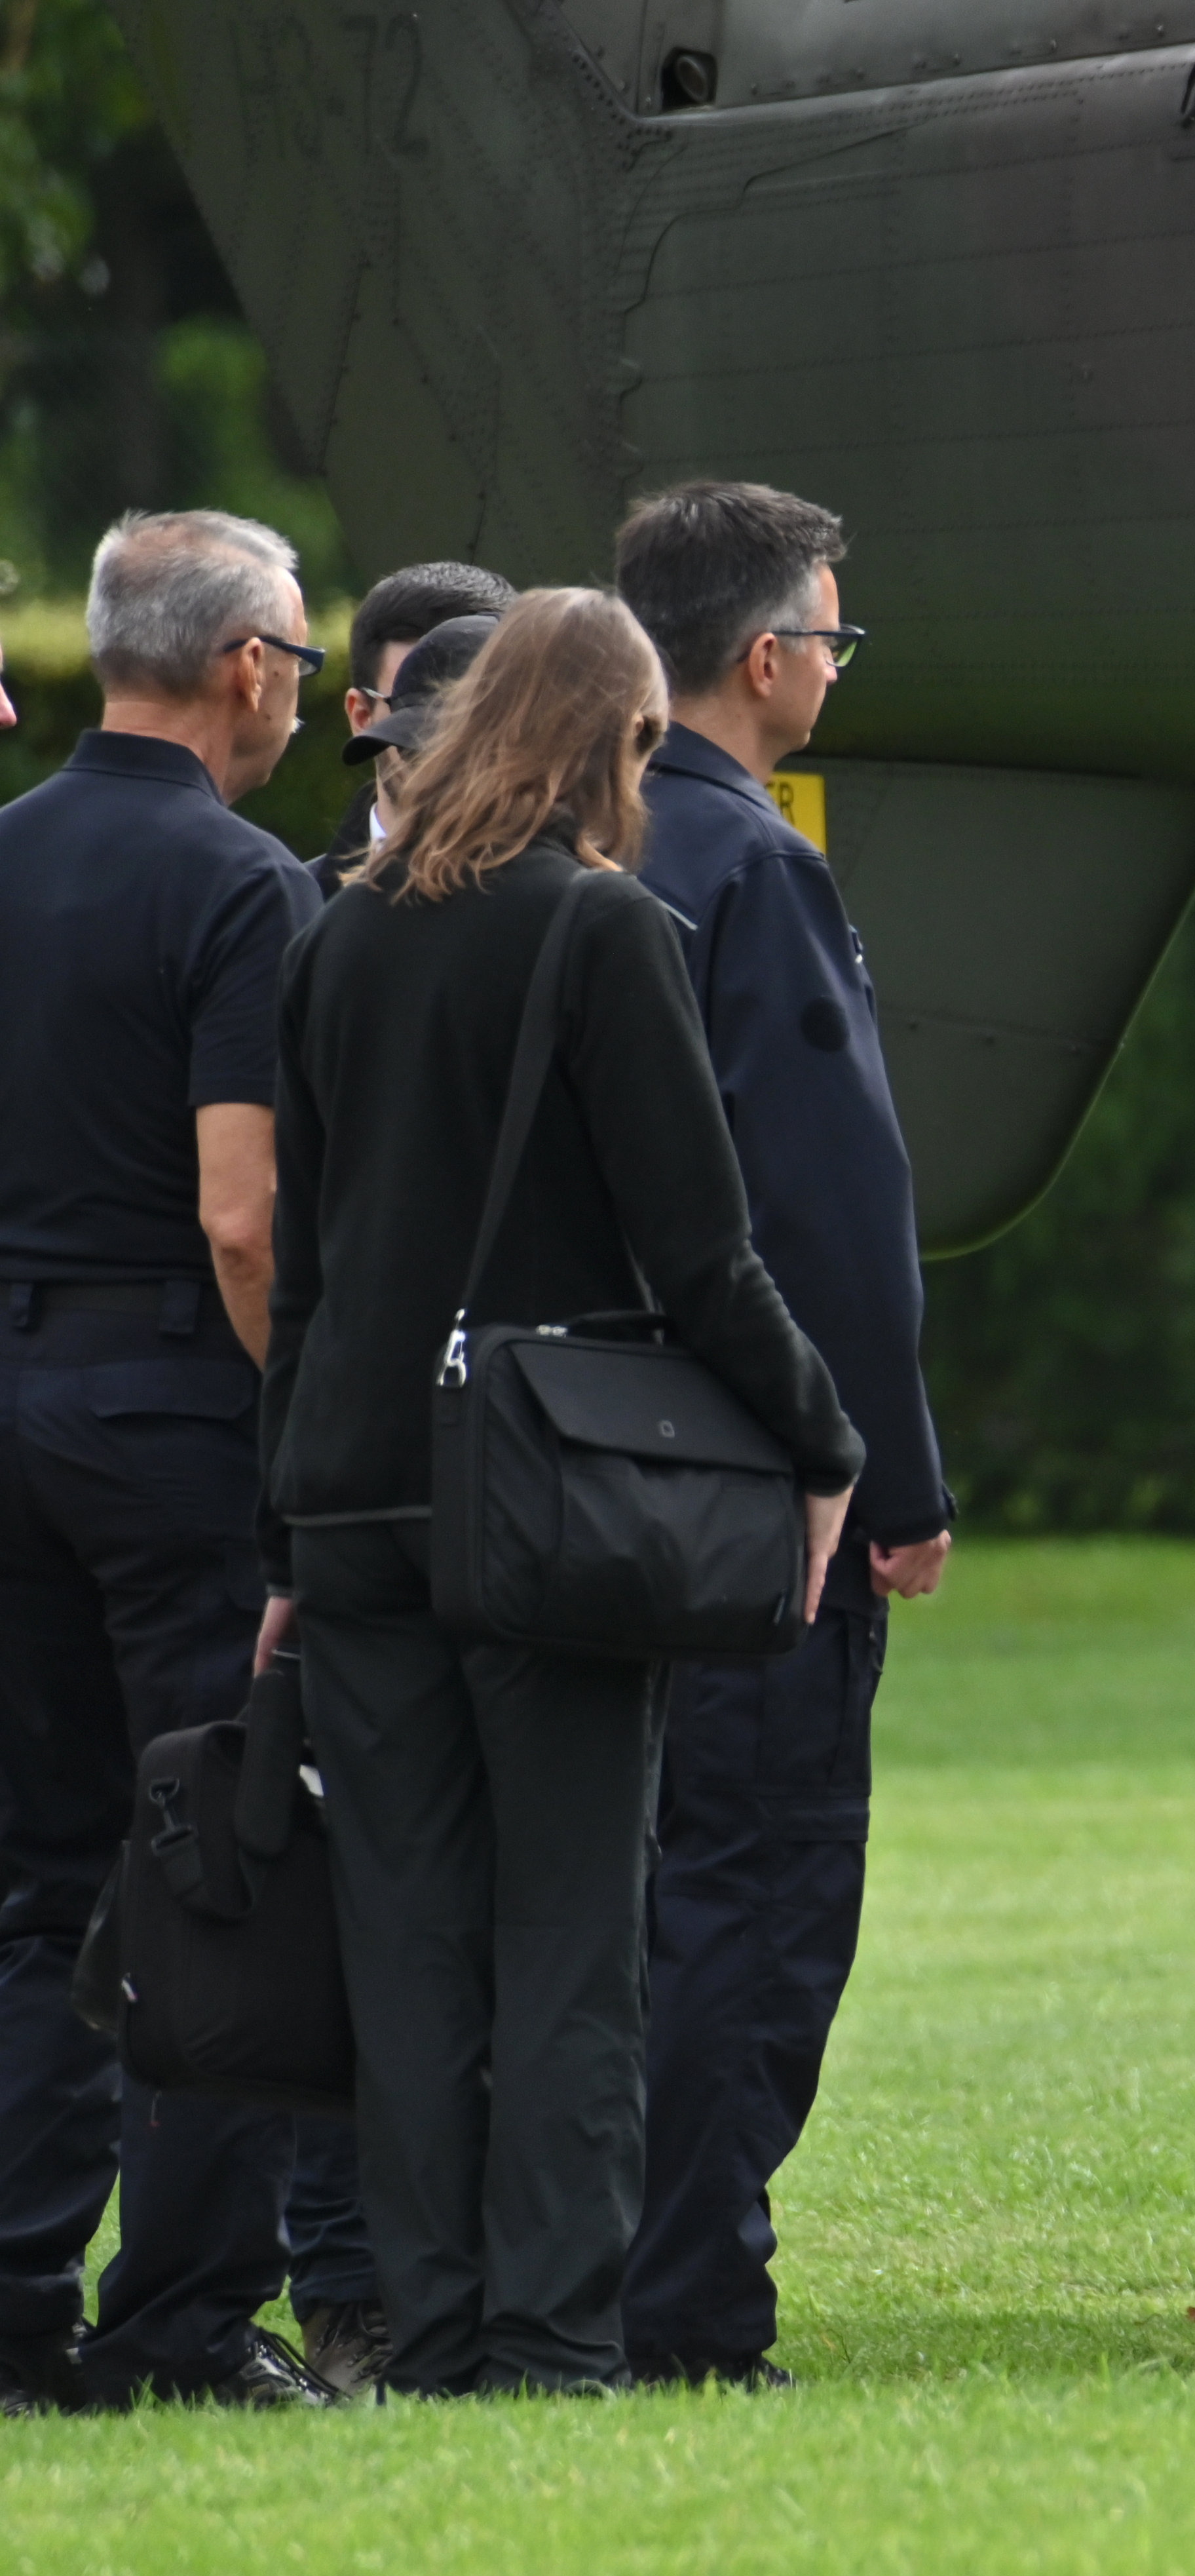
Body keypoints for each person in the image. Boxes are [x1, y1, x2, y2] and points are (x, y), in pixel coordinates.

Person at [261, 588, 865, 2396]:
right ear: (613, 742)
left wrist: (276, 1532)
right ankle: (550, 2333)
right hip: (542, 1502)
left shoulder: (338, 938)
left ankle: (433, 2328)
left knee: (410, 1941)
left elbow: (306, 1270)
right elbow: (703, 1251)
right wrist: (823, 1441)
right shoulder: (606, 929)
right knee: (572, 1940)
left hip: (353, 1504)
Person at [0, 510, 343, 2412]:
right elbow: (241, 1218)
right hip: (166, 1415)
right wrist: (299, 1438)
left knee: (41, 1873)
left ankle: (10, 2290)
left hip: (9, 1387)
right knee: (224, 1854)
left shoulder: (6, 857)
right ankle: (191, 2319)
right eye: (297, 657)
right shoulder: (240, 889)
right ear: (242, 668)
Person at [610, 480, 949, 2389]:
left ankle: (566, 2276)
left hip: (562, 1463)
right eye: (832, 630)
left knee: (611, 1889)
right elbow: (833, 1200)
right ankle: (692, 2303)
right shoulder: (754, 867)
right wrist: (888, 1474)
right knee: (757, 1885)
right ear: (763, 656)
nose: (834, 659)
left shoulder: (564, 842)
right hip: (750, 1489)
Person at [311, 562, 515, 891]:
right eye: (417, 710)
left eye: (482, 711)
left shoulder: (579, 906)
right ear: (362, 717)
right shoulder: (294, 908)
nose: (454, 744)